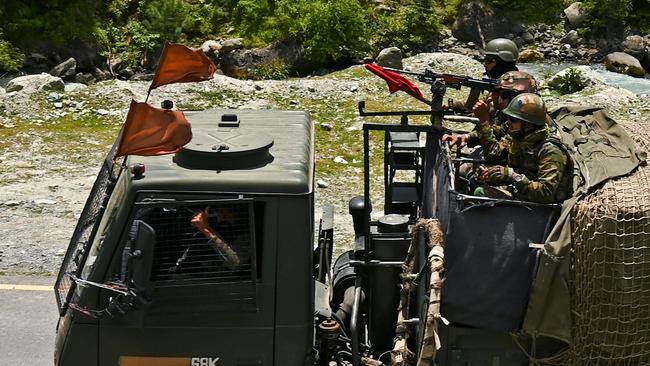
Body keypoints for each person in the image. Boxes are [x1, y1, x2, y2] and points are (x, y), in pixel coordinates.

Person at [473, 93, 572, 204]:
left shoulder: (550, 149)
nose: (508, 122)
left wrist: (512, 176)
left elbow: (546, 193)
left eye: (513, 119)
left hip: (538, 206)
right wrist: (494, 174)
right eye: (508, 118)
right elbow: (497, 154)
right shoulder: (519, 137)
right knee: (474, 181)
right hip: (521, 191)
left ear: (528, 124)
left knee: (480, 193)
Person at [442, 71, 538, 155]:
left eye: (504, 95)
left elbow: (496, 154)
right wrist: (466, 137)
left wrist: (484, 121)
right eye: (497, 93)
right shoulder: (511, 115)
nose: (499, 99)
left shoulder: (529, 120)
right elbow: (498, 131)